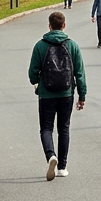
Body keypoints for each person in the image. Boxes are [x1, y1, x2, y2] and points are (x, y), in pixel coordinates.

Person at [28, 11, 87, 180]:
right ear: (64, 25)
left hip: (46, 93)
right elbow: (80, 73)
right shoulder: (72, 46)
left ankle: (50, 155)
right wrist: (81, 95)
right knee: (64, 129)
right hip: (66, 93)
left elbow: (33, 71)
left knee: (46, 128)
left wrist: (36, 83)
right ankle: (62, 166)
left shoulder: (40, 45)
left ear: (49, 26)